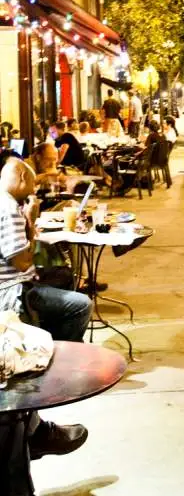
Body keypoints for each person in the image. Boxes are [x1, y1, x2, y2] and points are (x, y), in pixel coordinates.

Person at [0, 158, 91, 458]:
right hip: (14, 292)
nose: (34, 188)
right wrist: (30, 219)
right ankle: (61, 373)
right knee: (80, 305)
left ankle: (35, 429)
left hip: (19, 284)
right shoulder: (7, 207)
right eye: (32, 183)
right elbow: (22, 260)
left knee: (64, 276)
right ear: (20, 178)